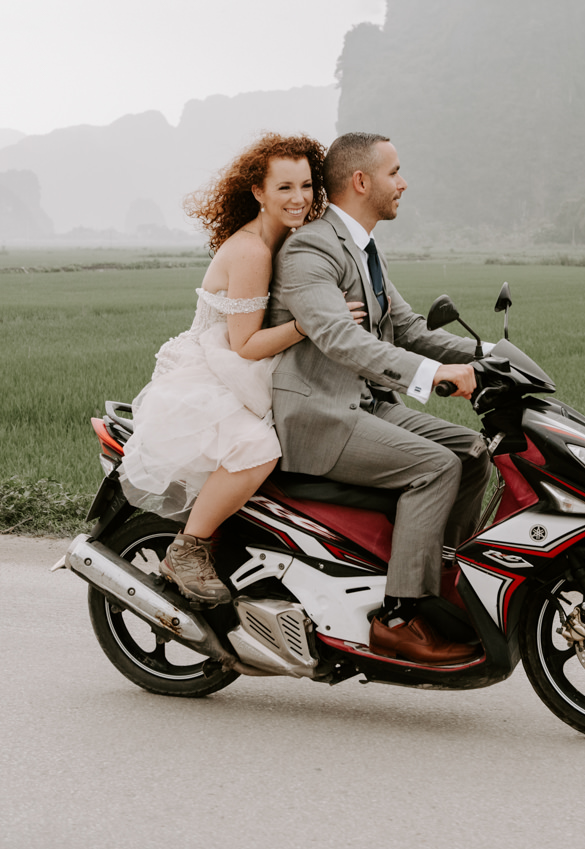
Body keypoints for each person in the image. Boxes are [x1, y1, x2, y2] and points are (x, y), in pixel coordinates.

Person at [267, 132, 493, 665]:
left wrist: (491, 355)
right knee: (435, 468)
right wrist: (434, 376)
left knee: (473, 452)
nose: (404, 182)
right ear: (362, 181)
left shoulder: (363, 246)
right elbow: (343, 340)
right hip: (320, 415)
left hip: (366, 406)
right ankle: (398, 617)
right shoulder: (310, 250)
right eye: (395, 172)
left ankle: (437, 579)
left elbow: (409, 328)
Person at [120, 133, 366, 605]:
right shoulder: (252, 250)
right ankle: (187, 549)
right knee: (257, 451)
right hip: (218, 371)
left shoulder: (291, 241)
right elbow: (246, 345)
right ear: (258, 192)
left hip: (249, 368)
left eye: (307, 186)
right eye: (284, 188)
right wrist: (313, 323)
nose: (299, 199)